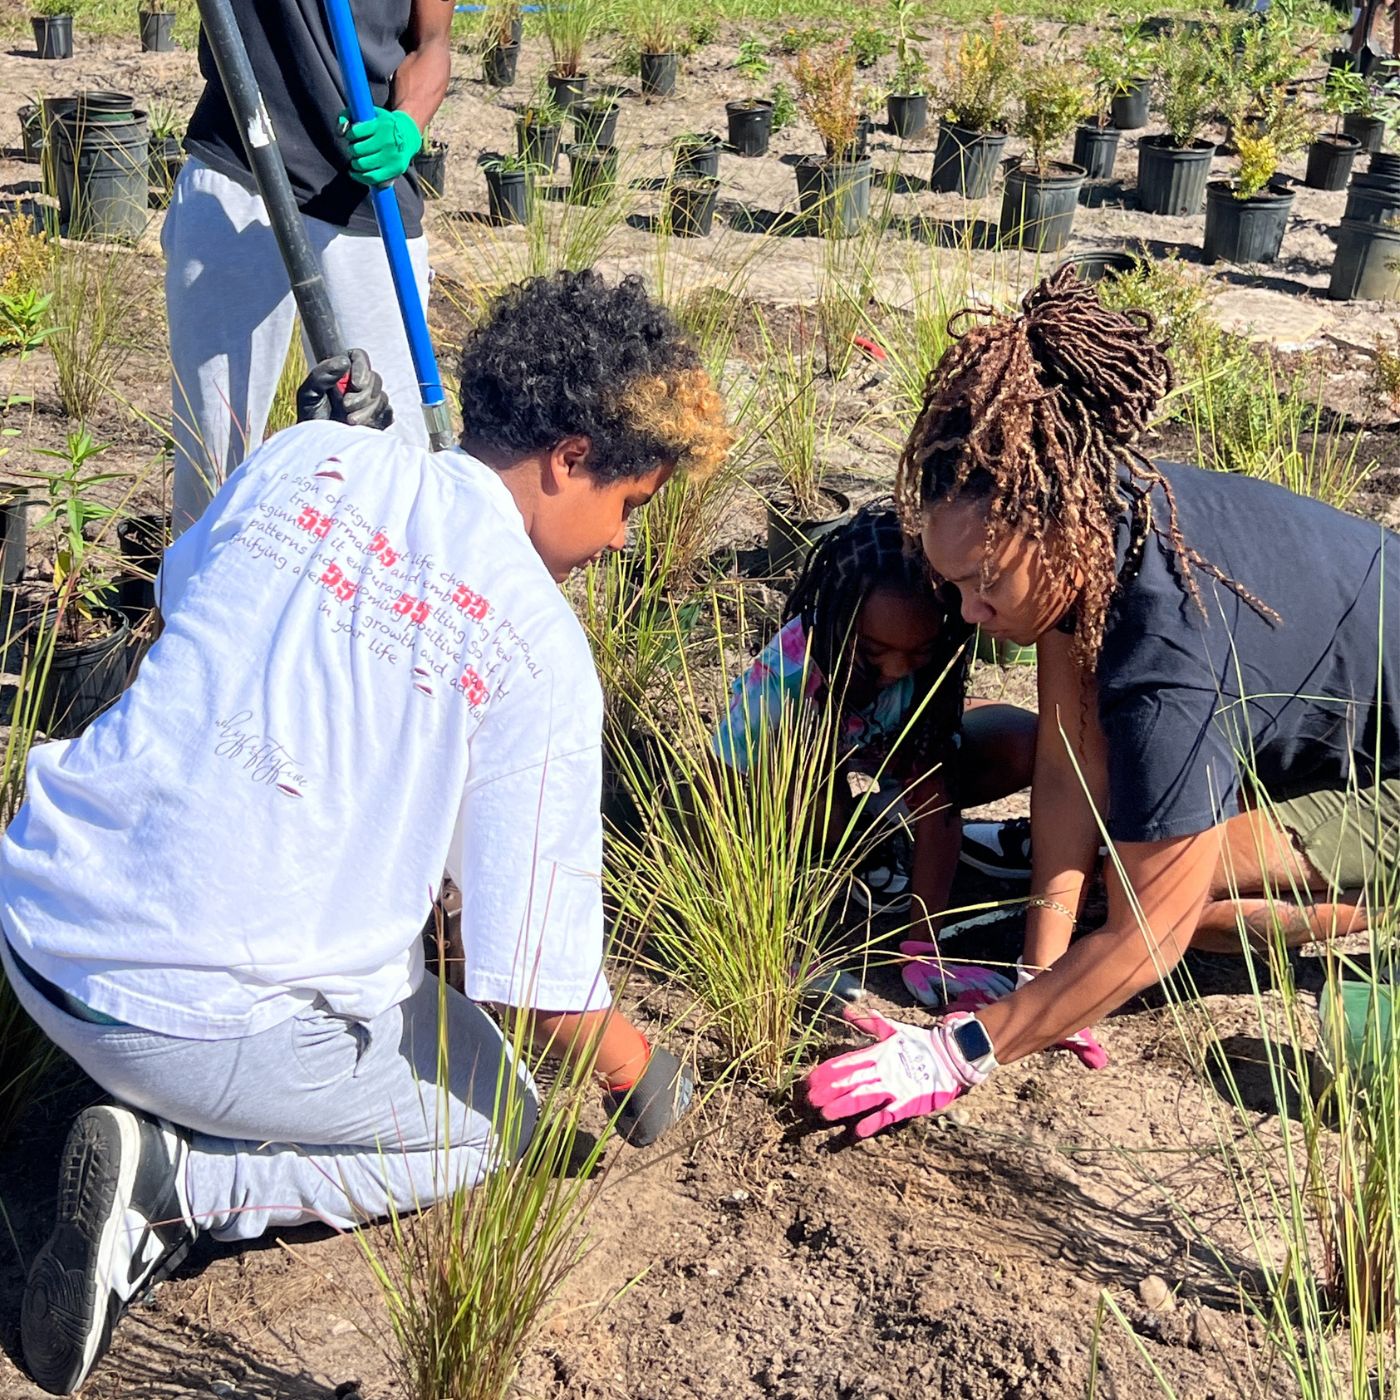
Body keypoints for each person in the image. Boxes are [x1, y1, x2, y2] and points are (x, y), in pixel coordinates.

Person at [3, 270, 730, 1394]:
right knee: (490, 1120)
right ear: (569, 456)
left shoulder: (307, 458)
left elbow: (186, 597)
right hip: (176, 1018)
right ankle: (176, 1186)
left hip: (38, 916)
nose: (624, 542)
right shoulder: (535, 648)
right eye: (630, 504)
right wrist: (644, 1077)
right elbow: (544, 988)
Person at [807, 268, 1399, 1138]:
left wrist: (957, 1049)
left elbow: (1146, 939)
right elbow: (1065, 761)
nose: (964, 614)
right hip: (1313, 729)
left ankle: (1377, 901)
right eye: (951, 582)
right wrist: (1038, 979)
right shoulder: (1087, 523)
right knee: (1134, 871)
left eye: (979, 585)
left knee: (1153, 895)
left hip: (1388, 775)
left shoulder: (1168, 646)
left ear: (1047, 531)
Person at [165, 0, 453, 536]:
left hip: (363, 193)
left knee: (393, 460)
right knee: (211, 468)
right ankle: (195, 608)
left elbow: (431, 43)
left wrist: (407, 126)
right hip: (237, 176)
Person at [712, 505, 1037, 925]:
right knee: (801, 771)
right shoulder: (784, 675)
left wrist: (923, 940)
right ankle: (837, 851)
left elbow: (938, 799)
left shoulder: (927, 666)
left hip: (881, 749)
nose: (898, 669)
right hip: (803, 780)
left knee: (1022, 740)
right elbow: (716, 783)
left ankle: (877, 823)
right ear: (838, 624)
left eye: (919, 652)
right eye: (871, 654)